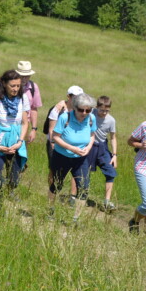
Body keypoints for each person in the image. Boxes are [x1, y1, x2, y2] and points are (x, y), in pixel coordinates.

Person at [0, 70, 30, 198]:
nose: (15, 89)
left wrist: (20, 142)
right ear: (4, 84)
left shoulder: (23, 98)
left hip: (16, 141)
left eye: (18, 86)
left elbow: (25, 123)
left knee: (14, 178)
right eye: (12, 86)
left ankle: (10, 192)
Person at [50, 93, 97, 222]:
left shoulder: (91, 118)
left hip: (81, 159)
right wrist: (72, 148)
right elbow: (55, 137)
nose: (84, 113)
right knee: (56, 185)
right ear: (75, 108)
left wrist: (88, 147)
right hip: (62, 156)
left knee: (83, 187)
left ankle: (75, 219)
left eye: (88, 110)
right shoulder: (65, 118)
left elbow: (92, 135)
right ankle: (50, 210)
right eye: (81, 110)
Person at [46, 86, 83, 200]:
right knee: (54, 171)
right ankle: (52, 192)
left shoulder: (81, 110)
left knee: (74, 171)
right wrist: (53, 145)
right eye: (74, 97)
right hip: (55, 144)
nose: (77, 99)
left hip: (73, 146)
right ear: (68, 96)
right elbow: (51, 130)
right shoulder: (58, 109)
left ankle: (72, 196)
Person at [88, 96, 118, 211]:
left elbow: (113, 138)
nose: (104, 113)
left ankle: (107, 201)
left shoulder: (111, 120)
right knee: (84, 170)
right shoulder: (90, 112)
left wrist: (114, 155)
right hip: (90, 145)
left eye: (107, 110)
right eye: (101, 110)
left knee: (110, 172)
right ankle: (79, 195)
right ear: (96, 107)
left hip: (102, 147)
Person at [126, 121, 146, 233]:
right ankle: (134, 221)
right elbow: (130, 141)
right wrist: (141, 145)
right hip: (142, 167)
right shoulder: (144, 126)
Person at [17, 61, 42, 144]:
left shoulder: (33, 87)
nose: (24, 78)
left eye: (27, 76)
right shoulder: (10, 86)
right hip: (9, 122)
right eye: (22, 76)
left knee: (21, 148)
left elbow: (34, 108)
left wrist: (34, 129)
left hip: (25, 124)